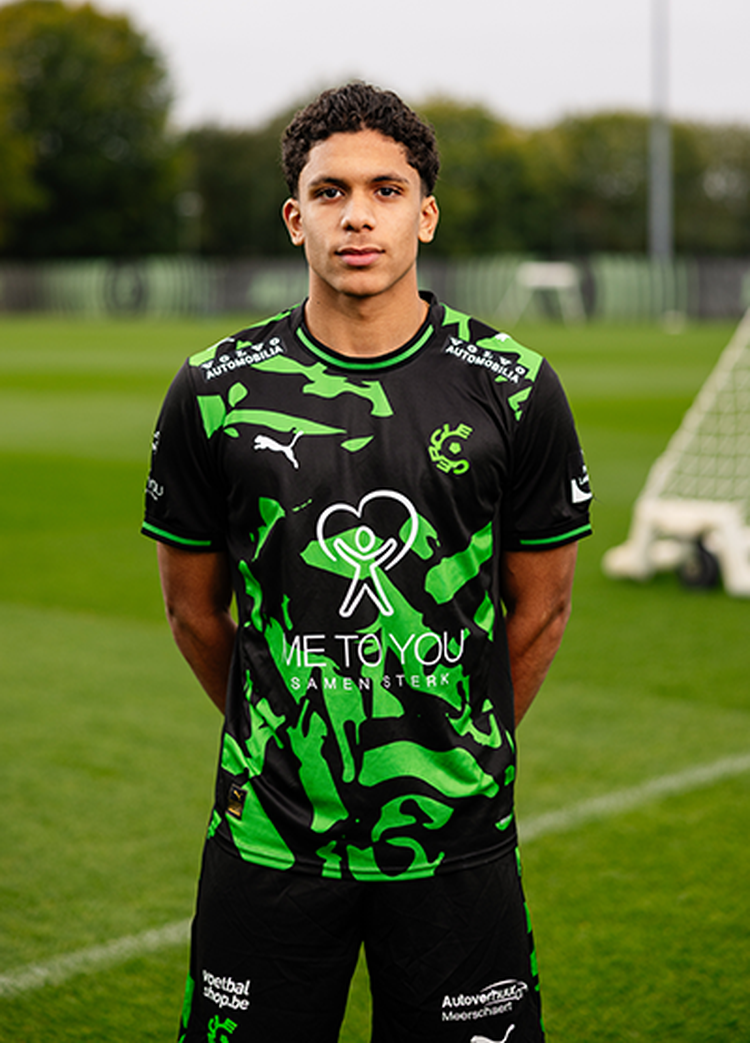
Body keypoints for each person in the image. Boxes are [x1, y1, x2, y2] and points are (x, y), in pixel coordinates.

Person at [142, 81, 592, 1043]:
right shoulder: (215, 391)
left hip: (456, 837)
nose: (358, 215)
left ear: (425, 214)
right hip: (269, 834)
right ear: (294, 217)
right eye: (331, 191)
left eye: (386, 190)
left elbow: (542, 608)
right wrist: (283, 733)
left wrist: (463, 743)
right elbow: (193, 612)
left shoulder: (513, 386)